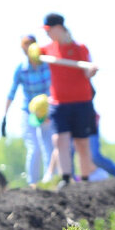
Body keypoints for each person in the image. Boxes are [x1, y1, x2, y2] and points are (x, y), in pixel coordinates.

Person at [38, 13, 98, 188]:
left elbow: (87, 72)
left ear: (59, 28)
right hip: (58, 102)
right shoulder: (46, 50)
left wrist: (91, 71)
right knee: (60, 140)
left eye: (49, 30)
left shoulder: (80, 49)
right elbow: (31, 53)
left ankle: (85, 180)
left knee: (81, 142)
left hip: (81, 102)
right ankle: (65, 178)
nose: (47, 34)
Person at [4, 35, 54, 187]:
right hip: (29, 112)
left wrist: (50, 107)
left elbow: (54, 87)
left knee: (49, 146)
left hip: (47, 109)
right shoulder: (21, 69)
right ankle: (32, 182)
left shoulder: (47, 65)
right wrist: (4, 116)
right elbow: (12, 92)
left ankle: (50, 179)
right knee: (34, 147)